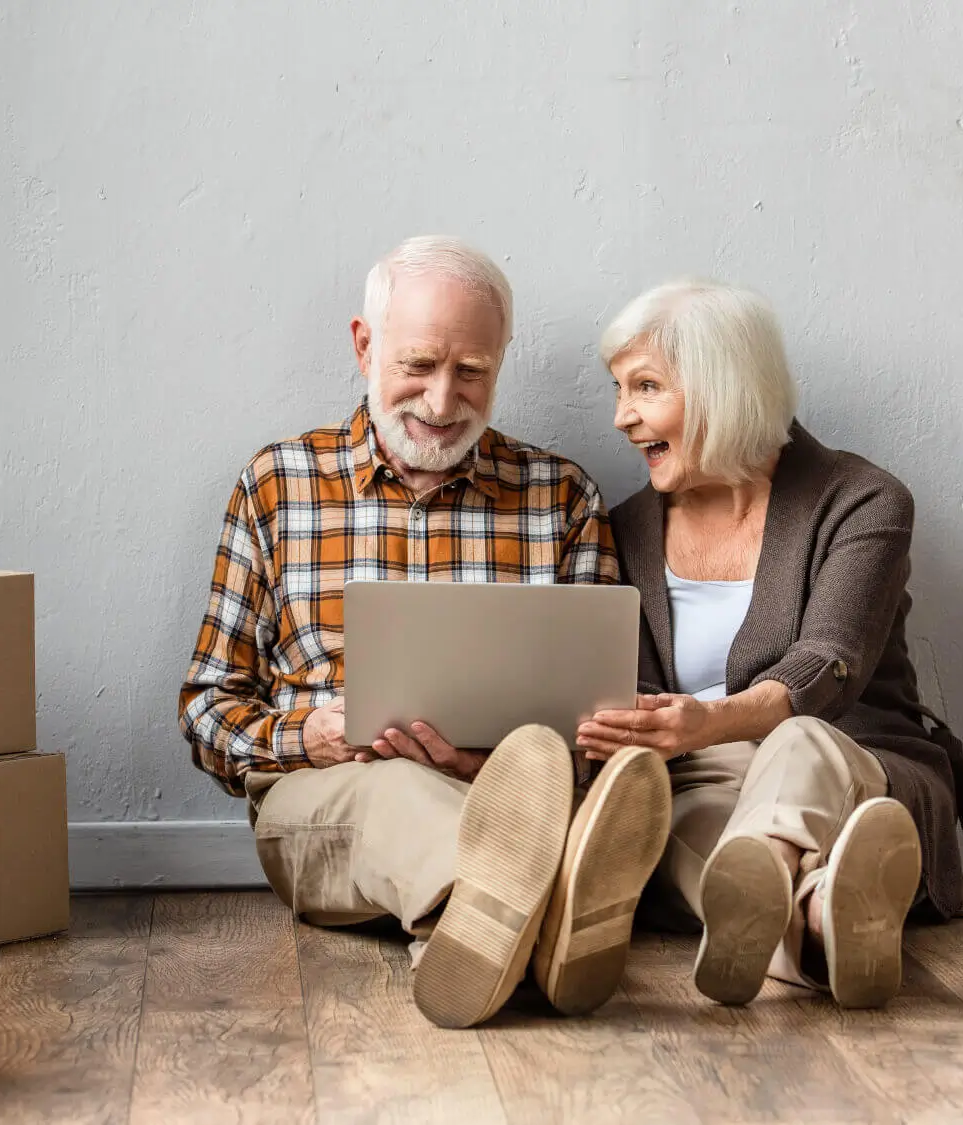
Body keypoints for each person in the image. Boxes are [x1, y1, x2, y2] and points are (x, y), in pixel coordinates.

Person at [177, 237, 671, 1029]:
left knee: (535, 771)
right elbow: (206, 710)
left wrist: (495, 763)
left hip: (507, 783)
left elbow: (604, 706)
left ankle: (477, 927)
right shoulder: (276, 485)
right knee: (394, 789)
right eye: (419, 365)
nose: (443, 402)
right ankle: (553, 903)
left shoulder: (561, 495)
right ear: (365, 346)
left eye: (472, 371)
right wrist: (311, 735)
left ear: (501, 361)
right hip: (324, 796)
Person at [577, 277, 963, 1010]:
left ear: (722, 387)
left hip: (859, 764)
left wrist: (709, 720)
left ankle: (771, 876)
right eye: (620, 389)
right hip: (703, 779)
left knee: (798, 742)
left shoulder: (864, 500)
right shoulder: (625, 527)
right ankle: (818, 922)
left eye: (646, 387)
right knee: (679, 818)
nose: (622, 417)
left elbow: (828, 662)